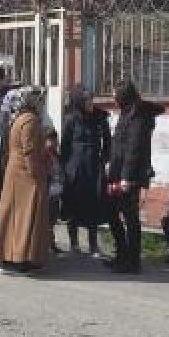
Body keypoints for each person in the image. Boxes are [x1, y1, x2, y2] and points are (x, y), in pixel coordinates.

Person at [104, 79, 165, 275]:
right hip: (117, 172)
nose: (112, 97)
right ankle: (121, 253)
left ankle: (132, 261)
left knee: (130, 218)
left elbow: (134, 149)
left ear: (123, 95)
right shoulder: (126, 112)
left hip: (129, 176)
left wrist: (126, 177)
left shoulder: (138, 117)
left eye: (114, 93)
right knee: (112, 213)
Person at [0, 87, 51, 274]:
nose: (41, 102)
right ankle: (22, 260)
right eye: (39, 99)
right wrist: (38, 176)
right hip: (26, 175)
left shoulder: (18, 118)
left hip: (15, 172)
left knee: (13, 218)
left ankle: (10, 258)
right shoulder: (30, 121)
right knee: (26, 217)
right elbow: (30, 151)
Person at [60, 85, 111, 257]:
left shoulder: (100, 117)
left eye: (92, 100)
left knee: (93, 204)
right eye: (87, 100)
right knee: (73, 204)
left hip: (93, 167)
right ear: (79, 102)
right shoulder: (71, 119)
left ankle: (93, 245)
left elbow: (107, 142)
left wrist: (104, 160)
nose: (91, 103)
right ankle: (74, 244)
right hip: (75, 168)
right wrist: (65, 169)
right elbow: (64, 146)